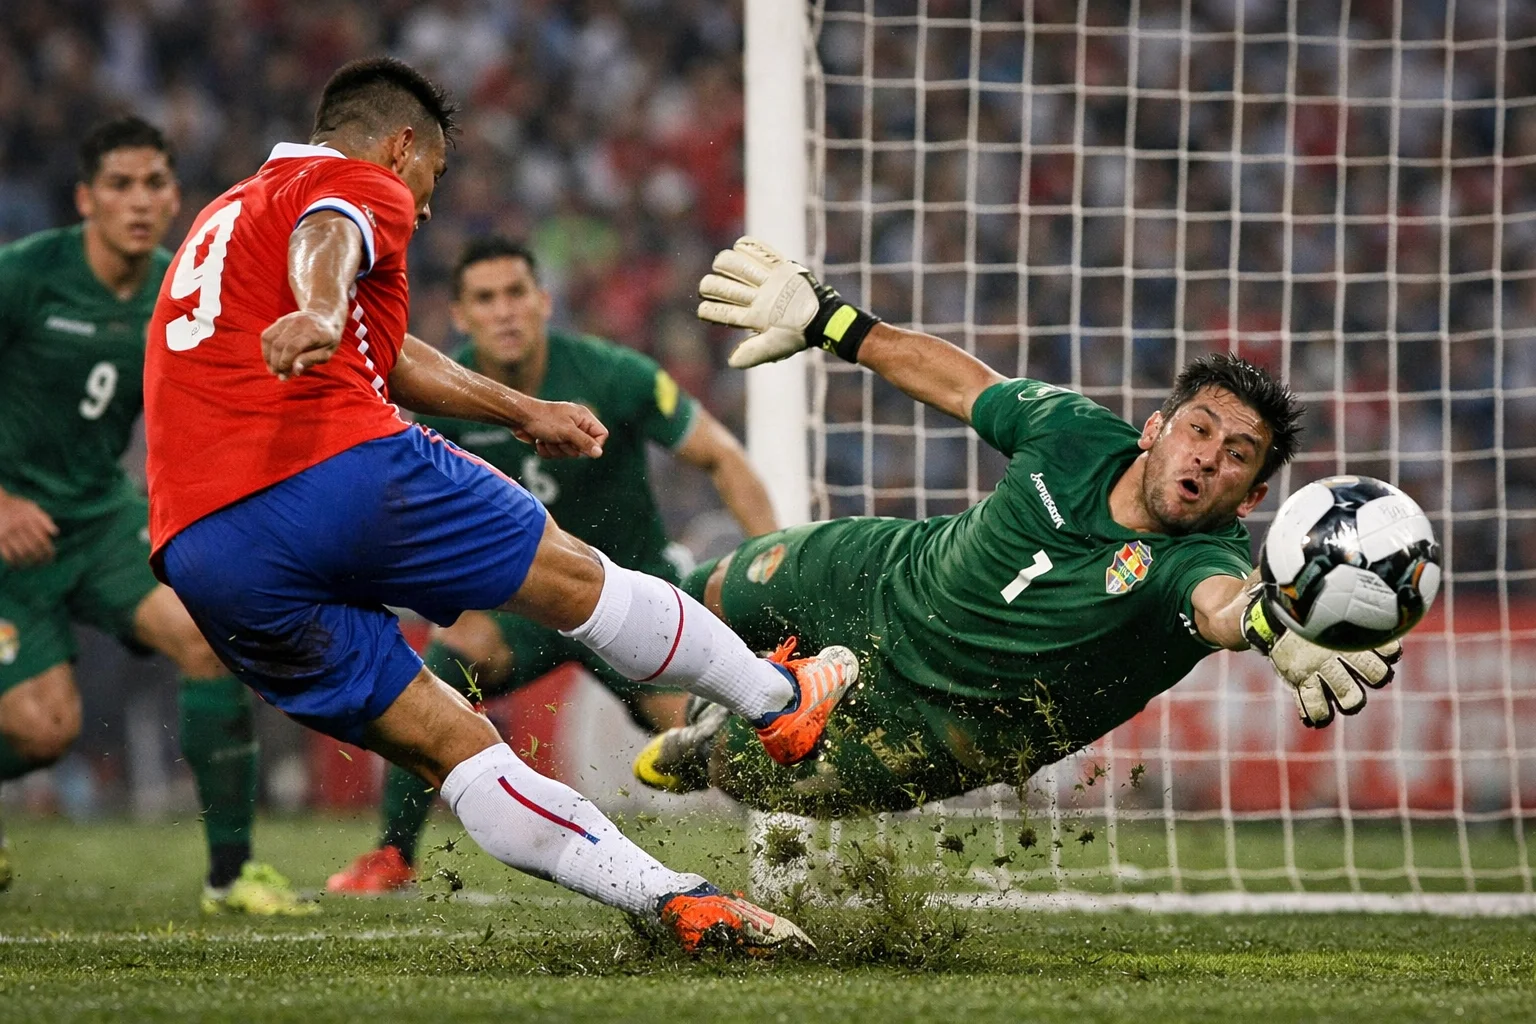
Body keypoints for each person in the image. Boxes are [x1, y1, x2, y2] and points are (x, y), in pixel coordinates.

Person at [143, 58, 856, 951]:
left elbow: (388, 350)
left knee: (454, 744)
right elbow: (332, 234)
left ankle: (674, 900)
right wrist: (324, 311)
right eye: (432, 177)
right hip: (328, 466)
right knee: (574, 575)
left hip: (206, 554)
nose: (427, 205)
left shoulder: (226, 215)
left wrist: (521, 412)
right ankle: (776, 699)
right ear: (403, 146)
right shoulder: (348, 185)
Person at [634, 237, 1404, 816]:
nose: (1208, 456)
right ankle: (697, 667)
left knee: (741, 771)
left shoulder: (1197, 559)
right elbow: (961, 383)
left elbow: (1223, 606)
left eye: (1237, 456)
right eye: (1199, 430)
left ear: (1250, 500)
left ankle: (712, 735)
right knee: (685, 601)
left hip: (945, 723)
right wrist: (826, 319)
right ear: (1154, 428)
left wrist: (1276, 621)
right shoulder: (1070, 431)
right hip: (879, 573)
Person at [327, 236, 779, 894]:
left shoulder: (612, 373)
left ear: (544, 302)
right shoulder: (441, 394)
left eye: (516, 294)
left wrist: (771, 553)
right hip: (526, 611)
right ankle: (393, 855)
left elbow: (721, 457)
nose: (504, 311)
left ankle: (809, 835)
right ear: (459, 315)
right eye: (485, 299)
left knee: (709, 738)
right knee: (444, 659)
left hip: (635, 601)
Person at [0, 118, 310, 914]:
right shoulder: (27, 276)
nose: (140, 202)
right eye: (119, 185)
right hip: (8, 533)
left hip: (101, 520)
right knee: (45, 732)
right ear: (84, 199)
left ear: (176, 195)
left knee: (209, 637)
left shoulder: (183, 288)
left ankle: (231, 875)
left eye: (154, 184)